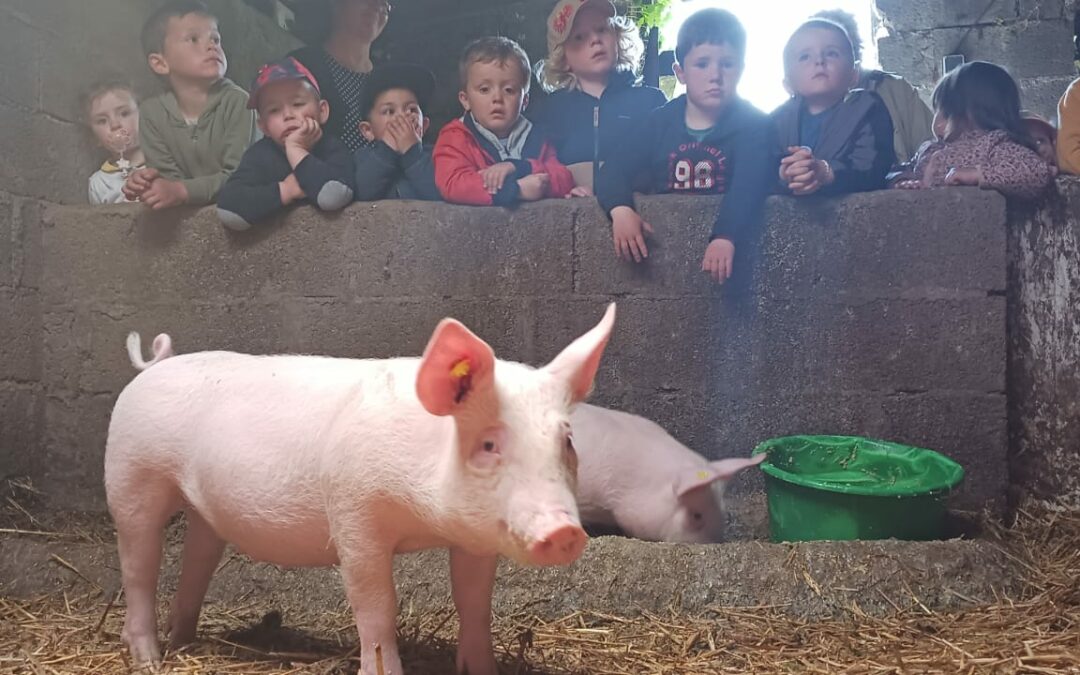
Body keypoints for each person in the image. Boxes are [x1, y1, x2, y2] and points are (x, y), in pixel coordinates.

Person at [594, 9, 773, 283]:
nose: (716, 75)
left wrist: (726, 235)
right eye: (702, 64)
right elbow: (612, 171)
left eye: (727, 63)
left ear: (742, 68)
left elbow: (750, 184)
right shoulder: (658, 123)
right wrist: (620, 210)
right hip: (665, 258)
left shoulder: (756, 125)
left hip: (727, 257)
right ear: (681, 72)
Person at [123, 0, 257, 209]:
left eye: (215, 38)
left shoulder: (239, 102)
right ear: (160, 63)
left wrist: (182, 191)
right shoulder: (152, 114)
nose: (212, 45)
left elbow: (241, 177)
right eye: (193, 39)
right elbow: (168, 182)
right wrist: (151, 185)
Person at [528, 0, 666, 190]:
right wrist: (562, 190)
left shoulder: (651, 102)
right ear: (564, 57)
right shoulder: (550, 111)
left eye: (602, 29)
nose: (595, 40)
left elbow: (665, 166)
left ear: (617, 37)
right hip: (568, 212)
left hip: (640, 210)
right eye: (579, 37)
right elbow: (539, 168)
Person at [434, 37, 578, 206]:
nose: (497, 98)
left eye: (509, 90)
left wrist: (519, 167)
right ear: (465, 100)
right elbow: (454, 183)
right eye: (484, 89)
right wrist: (516, 190)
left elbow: (563, 178)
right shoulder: (455, 137)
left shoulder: (538, 137)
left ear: (524, 101)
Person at [216, 57, 355, 230]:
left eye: (297, 104)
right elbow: (229, 211)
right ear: (264, 126)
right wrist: (286, 190)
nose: (288, 115)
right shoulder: (260, 155)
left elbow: (333, 196)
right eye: (274, 110)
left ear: (322, 111)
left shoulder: (332, 147)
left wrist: (297, 150)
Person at [894, 61, 1052, 200]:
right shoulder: (929, 148)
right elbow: (902, 170)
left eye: (946, 113)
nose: (938, 123)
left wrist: (977, 174)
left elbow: (1035, 172)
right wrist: (904, 182)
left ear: (973, 114)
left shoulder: (995, 144)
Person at [772, 18, 894, 197]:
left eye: (832, 53)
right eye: (805, 56)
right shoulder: (777, 120)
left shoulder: (867, 108)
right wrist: (785, 174)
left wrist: (825, 172)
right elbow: (760, 168)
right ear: (788, 84)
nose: (819, 61)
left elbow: (873, 168)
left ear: (854, 75)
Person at [812, 8, 934, 165]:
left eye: (832, 52)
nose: (822, 62)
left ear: (854, 52)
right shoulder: (802, 107)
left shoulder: (894, 90)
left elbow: (929, 148)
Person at [289, 0, 391, 152]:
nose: (377, 6)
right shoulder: (300, 65)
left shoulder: (390, 78)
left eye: (385, 3)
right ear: (336, 4)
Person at [353, 63, 440, 200]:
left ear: (424, 126)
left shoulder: (437, 156)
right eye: (389, 111)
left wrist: (413, 152)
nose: (402, 118)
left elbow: (440, 192)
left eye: (411, 110)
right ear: (368, 130)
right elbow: (362, 192)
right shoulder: (363, 158)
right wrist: (386, 151)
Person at [81, 79, 146, 204]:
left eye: (124, 113)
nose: (115, 124)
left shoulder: (166, 163)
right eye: (102, 121)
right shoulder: (99, 183)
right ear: (94, 138)